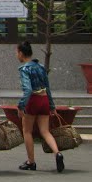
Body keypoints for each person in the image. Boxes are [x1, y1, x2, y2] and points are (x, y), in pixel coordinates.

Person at [16, 41, 64, 172]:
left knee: (27, 131)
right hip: (44, 100)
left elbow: (27, 90)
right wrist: (52, 106)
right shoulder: (41, 67)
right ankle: (57, 153)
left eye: (17, 52)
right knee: (45, 131)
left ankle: (31, 161)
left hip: (33, 100)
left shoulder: (24, 69)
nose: (17, 55)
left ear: (21, 53)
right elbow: (47, 87)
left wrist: (20, 106)